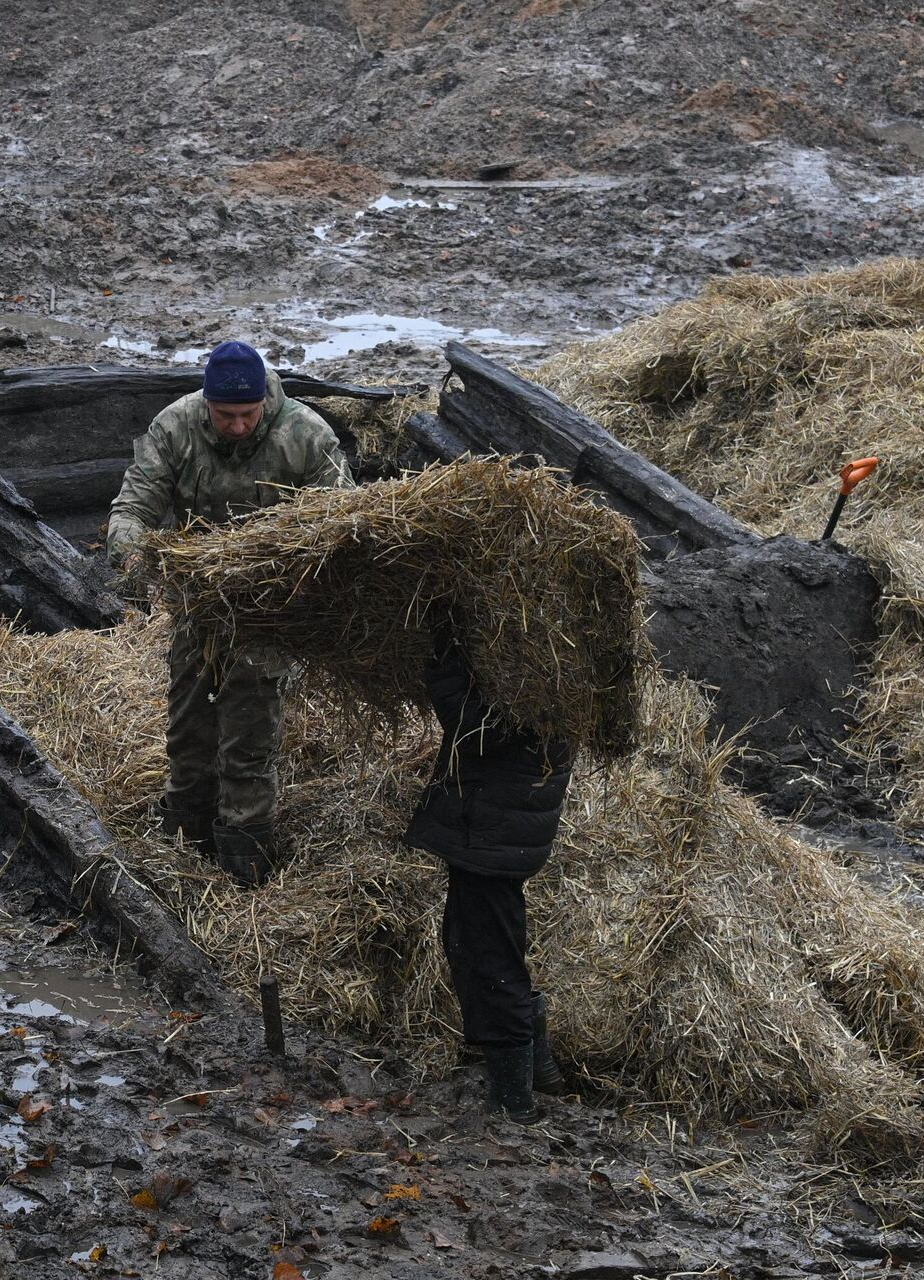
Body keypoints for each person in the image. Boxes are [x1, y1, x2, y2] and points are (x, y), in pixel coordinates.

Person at [107, 341, 352, 885]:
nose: (237, 427)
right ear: (207, 404)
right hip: (200, 598)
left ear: (264, 399)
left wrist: (301, 585)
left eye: (247, 415)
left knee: (248, 736)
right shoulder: (175, 426)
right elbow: (133, 507)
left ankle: (245, 863)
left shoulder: (307, 436)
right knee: (188, 726)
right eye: (225, 416)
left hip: (272, 607)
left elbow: (343, 527)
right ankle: (183, 846)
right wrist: (137, 564)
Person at [402, 631, 575, 1122]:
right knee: (480, 943)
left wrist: (440, 656)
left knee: (489, 959)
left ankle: (515, 1105)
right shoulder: (546, 638)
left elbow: (476, 726)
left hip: (497, 821)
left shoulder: (534, 656)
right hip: (504, 816)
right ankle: (537, 1075)